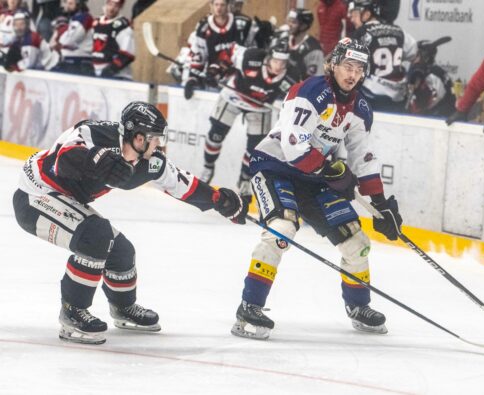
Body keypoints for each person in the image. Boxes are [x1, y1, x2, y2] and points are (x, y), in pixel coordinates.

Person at [12, 101, 248, 345]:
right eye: (155, 138)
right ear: (138, 137)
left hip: (66, 199)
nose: (159, 144)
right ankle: (73, 312)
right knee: (96, 237)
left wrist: (218, 200)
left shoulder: (149, 161)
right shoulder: (94, 133)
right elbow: (63, 159)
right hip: (35, 196)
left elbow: (179, 182)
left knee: (121, 251)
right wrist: (98, 162)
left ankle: (123, 307)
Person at [230, 38, 403, 340]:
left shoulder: (360, 108)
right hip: (275, 167)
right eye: (348, 66)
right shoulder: (310, 92)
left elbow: (362, 156)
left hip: (315, 179)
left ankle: (358, 307)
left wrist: (380, 203)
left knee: (355, 240)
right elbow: (294, 146)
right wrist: (333, 171)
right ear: (333, 64)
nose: (353, 74)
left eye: (359, 69)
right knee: (282, 228)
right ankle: (250, 306)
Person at [198, 39, 297, 204]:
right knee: (215, 134)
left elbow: (296, 98)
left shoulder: (291, 75)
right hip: (234, 96)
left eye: (283, 62)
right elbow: (229, 53)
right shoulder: (251, 56)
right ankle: (208, 167)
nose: (279, 66)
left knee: (255, 148)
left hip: (260, 107)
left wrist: (291, 110)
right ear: (268, 57)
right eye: (276, 61)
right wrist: (215, 71)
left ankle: (244, 181)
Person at [351, 0, 417, 113]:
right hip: (397, 99)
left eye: (355, 15)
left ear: (366, 14)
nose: (352, 19)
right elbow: (414, 54)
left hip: (371, 97)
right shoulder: (400, 32)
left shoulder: (362, 33)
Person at [170, 0, 250, 91]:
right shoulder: (204, 27)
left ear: (227, 5)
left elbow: (243, 52)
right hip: (212, 74)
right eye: (216, 5)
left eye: (222, 5)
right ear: (211, 5)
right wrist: (193, 78)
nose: (219, 8)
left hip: (234, 76)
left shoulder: (241, 24)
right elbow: (198, 56)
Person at [405, 38, 455, 117]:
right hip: (439, 116)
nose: (414, 58)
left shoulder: (432, 74)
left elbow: (436, 98)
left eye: (417, 55)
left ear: (425, 56)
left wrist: (420, 112)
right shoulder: (433, 71)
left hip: (438, 119)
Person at [92, 0, 134, 80]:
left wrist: (112, 69)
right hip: (96, 74)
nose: (112, 8)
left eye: (116, 6)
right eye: (110, 4)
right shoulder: (96, 22)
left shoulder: (123, 25)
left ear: (120, 7)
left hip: (118, 76)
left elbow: (128, 54)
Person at [49, 0, 94, 76]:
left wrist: (58, 42)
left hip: (79, 62)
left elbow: (69, 41)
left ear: (79, 5)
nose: (67, 6)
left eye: (70, 4)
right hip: (73, 61)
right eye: (66, 3)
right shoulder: (75, 18)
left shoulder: (83, 17)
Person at [284, 8, 324, 81]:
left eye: (293, 22)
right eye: (289, 21)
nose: (289, 25)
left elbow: (316, 81)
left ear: (304, 26)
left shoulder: (313, 50)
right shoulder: (284, 39)